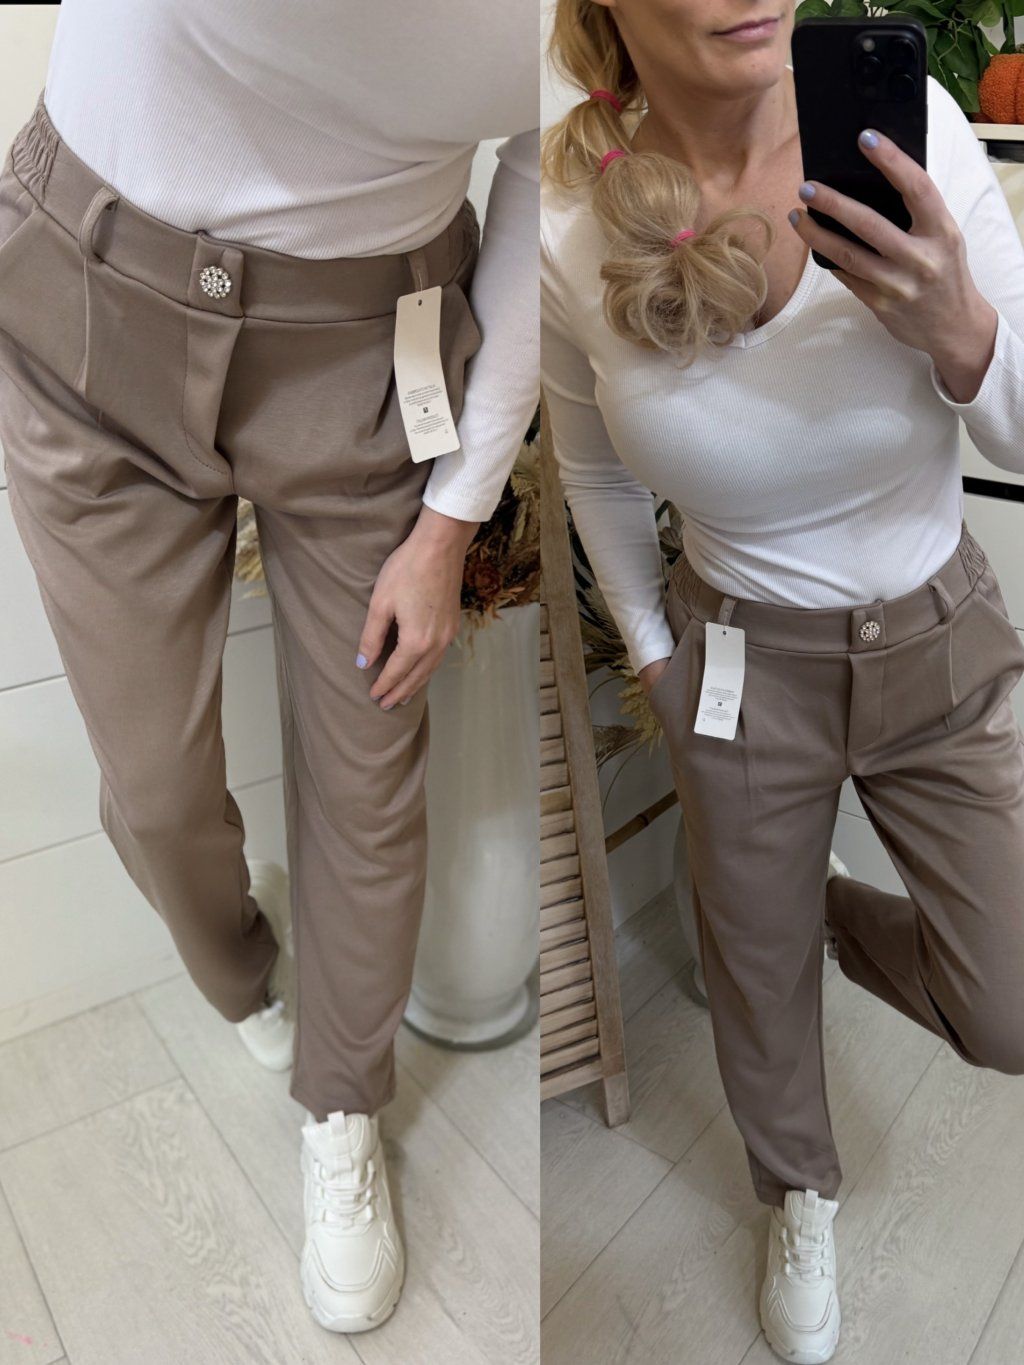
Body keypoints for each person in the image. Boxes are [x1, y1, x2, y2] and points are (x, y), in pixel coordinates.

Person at [0, 0, 538, 1336]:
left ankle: (344, 1106)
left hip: (375, 346)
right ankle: (246, 972)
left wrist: (452, 519)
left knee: (368, 776)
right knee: (155, 789)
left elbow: (553, 176)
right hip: (93, 301)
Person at [540, 0, 1024, 1360]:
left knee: (1010, 1004)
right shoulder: (567, 218)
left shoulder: (912, 134)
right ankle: (797, 1187)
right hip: (737, 662)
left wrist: (963, 328)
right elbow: (589, 467)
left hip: (936, 640)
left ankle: (799, 908)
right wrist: (652, 650)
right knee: (753, 986)